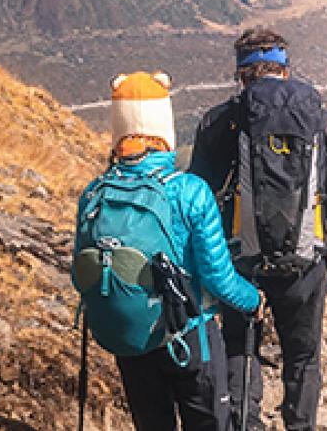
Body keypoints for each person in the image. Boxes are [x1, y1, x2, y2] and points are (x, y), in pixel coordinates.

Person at [76, 71, 263, 431]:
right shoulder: (190, 191)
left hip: (130, 335)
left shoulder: (94, 194)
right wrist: (253, 300)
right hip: (190, 335)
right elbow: (218, 278)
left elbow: (80, 274)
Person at [190, 28, 327, 431]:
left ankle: (245, 423)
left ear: (240, 73)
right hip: (305, 264)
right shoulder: (317, 118)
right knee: (302, 357)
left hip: (241, 263)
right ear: (286, 68)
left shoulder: (221, 121)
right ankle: (300, 425)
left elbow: (198, 194)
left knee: (239, 348)